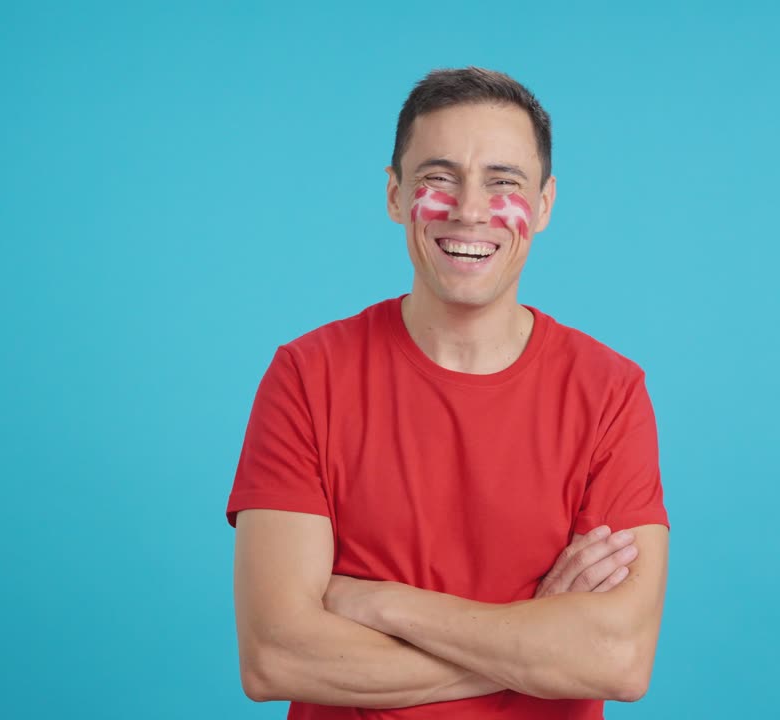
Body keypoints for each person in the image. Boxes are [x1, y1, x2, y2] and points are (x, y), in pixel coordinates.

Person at [224, 66, 670, 719]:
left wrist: (379, 603)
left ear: (544, 205)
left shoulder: (609, 392)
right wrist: (533, 639)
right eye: (438, 178)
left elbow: (618, 660)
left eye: (503, 182)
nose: (468, 210)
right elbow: (275, 657)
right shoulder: (306, 376)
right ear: (396, 195)